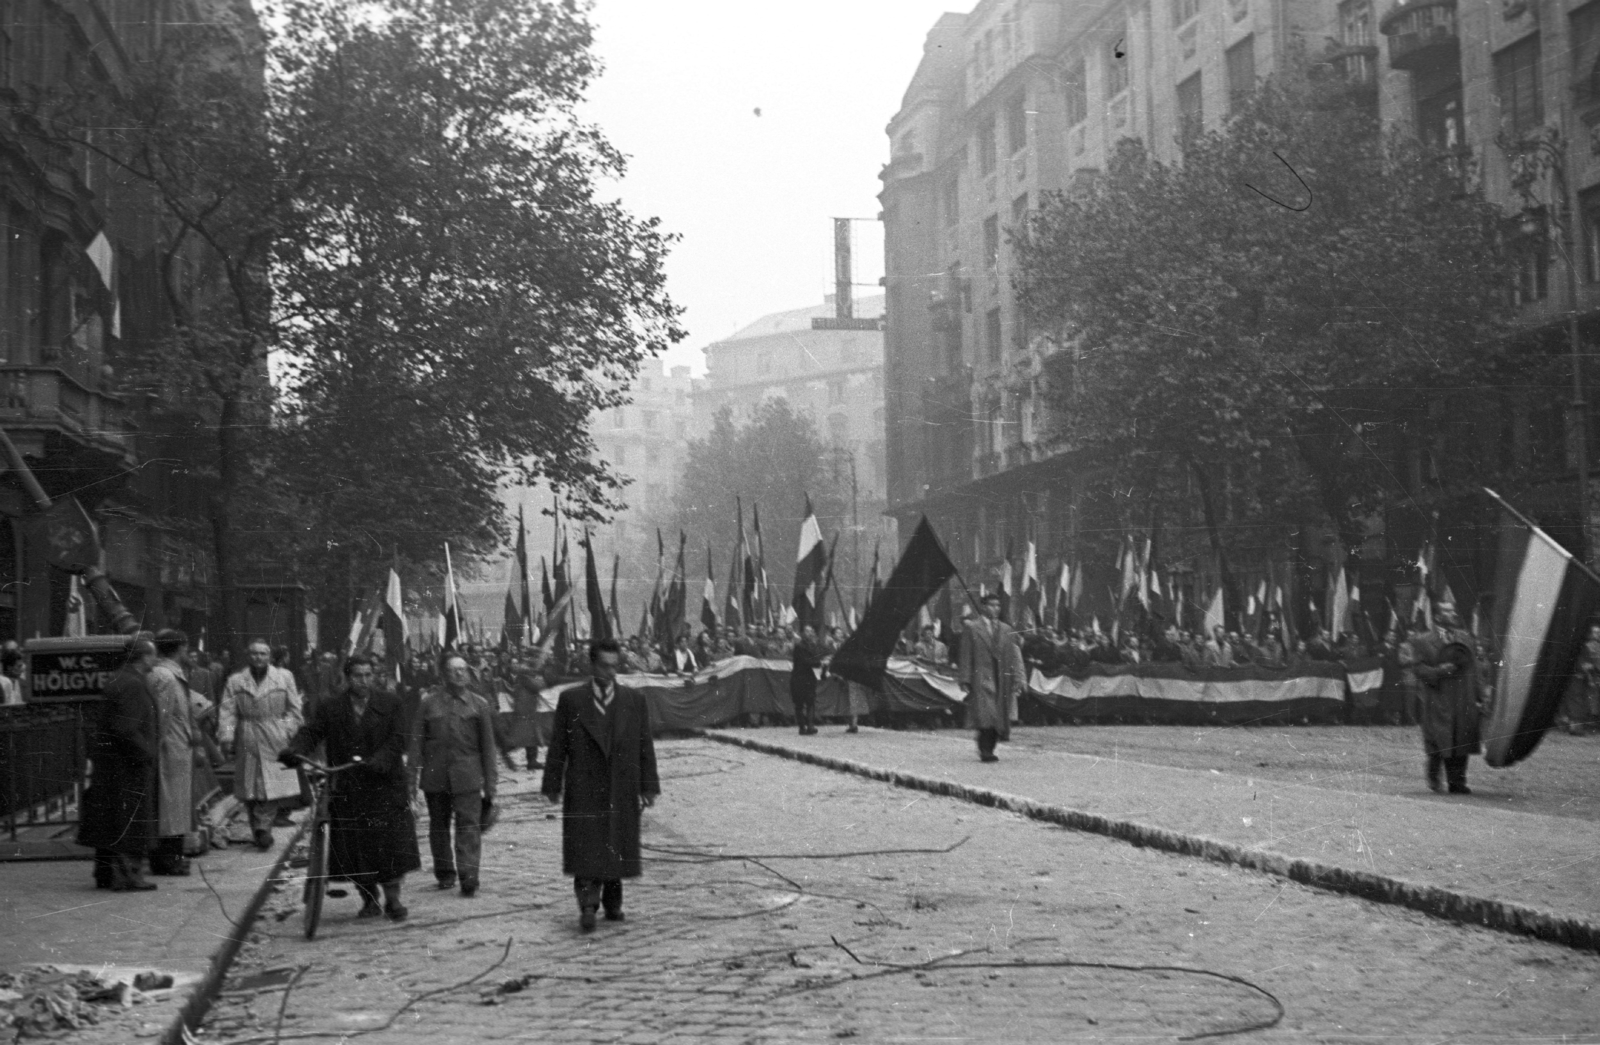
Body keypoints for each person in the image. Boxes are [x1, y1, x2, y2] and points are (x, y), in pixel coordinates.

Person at [279, 654, 420, 921]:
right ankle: (368, 899)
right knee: (355, 847)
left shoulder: (390, 703)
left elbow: (399, 738)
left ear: (375, 675)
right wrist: (295, 749)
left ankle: (393, 899)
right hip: (348, 784)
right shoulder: (332, 707)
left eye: (368, 675)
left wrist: (379, 761)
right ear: (347, 677)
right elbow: (312, 731)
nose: (364, 681)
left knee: (387, 845)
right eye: (358, 676)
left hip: (384, 785)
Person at [541, 638, 660, 931]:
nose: (611, 672)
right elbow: (559, 744)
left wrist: (647, 786)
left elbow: (645, 745)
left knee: (615, 840)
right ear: (592, 665)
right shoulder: (572, 700)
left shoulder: (633, 700)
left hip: (621, 784)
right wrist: (552, 784)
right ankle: (587, 905)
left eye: (614, 666)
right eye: (605, 666)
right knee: (587, 843)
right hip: (584, 784)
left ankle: (613, 902)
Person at [78, 639, 160, 891]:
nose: (155, 661)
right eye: (153, 656)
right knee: (129, 821)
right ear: (144, 657)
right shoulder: (133, 684)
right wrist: (147, 754)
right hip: (128, 766)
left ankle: (105, 874)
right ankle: (127, 876)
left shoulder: (118, 679)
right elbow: (126, 728)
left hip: (112, 764)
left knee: (111, 819)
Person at [414, 652, 498, 896]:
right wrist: (411, 782)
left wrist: (491, 786)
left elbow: (488, 748)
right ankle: (445, 873)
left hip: (467, 777)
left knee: (469, 827)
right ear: (443, 674)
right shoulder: (428, 703)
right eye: (454, 670)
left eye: (463, 669)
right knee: (438, 827)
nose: (460, 674)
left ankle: (469, 876)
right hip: (435, 776)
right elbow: (416, 744)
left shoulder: (478, 704)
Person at [220, 638, 305, 850]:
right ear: (248, 656)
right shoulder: (236, 681)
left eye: (263, 654)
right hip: (247, 734)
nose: (258, 657)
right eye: (254, 653)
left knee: (272, 784)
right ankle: (257, 827)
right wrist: (227, 736)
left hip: (274, 733)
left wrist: (285, 729)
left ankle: (263, 828)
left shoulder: (284, 677)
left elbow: (293, 710)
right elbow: (228, 713)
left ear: (269, 656)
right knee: (250, 786)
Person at [1410, 602, 1482, 794]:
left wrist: (1481, 696)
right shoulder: (1423, 641)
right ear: (1437, 616)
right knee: (1439, 740)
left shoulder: (1466, 639)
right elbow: (1417, 668)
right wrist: (1437, 671)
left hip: (1463, 697)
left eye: (1452, 610)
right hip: (1439, 697)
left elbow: (1475, 670)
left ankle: (1457, 782)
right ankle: (1434, 775)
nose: (1451, 614)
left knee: (1462, 739)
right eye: (1446, 611)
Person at [147, 629, 201, 874]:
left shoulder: (171, 674)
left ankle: (173, 857)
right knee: (170, 808)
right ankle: (167, 860)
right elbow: (161, 718)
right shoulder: (165, 677)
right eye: (186, 648)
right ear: (180, 649)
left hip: (177, 749)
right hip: (169, 751)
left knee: (176, 808)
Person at [958, 592, 1024, 763]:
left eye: (998, 605)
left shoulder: (1006, 629)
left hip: (1002, 677)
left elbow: (1012, 656)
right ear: (983, 606)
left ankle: (990, 747)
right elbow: (966, 655)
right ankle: (985, 749)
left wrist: (1017, 679)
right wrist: (965, 678)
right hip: (982, 677)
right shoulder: (972, 628)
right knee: (987, 714)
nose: (995, 608)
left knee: (999, 715)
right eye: (991, 605)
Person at [790, 624, 823, 736]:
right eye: (807, 631)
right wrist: (820, 663)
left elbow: (816, 657)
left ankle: (810, 725)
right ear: (802, 633)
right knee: (799, 704)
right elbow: (806, 661)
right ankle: (802, 726)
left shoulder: (813, 645)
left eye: (811, 631)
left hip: (810, 678)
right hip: (799, 678)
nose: (810, 633)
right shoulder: (799, 646)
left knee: (810, 702)